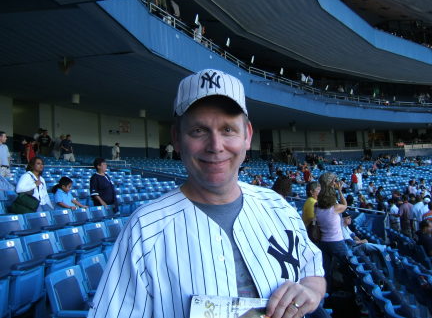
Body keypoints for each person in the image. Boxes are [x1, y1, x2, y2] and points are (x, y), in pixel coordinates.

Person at [89, 69, 325, 318]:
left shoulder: (279, 207)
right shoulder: (144, 230)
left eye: (228, 130)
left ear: (247, 135)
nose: (215, 146)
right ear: (177, 138)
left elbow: (313, 271)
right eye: (199, 131)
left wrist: (310, 290)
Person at [315, 172, 348, 290]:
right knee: (347, 267)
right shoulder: (335, 207)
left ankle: (327, 292)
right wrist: (339, 190)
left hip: (323, 243)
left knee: (326, 270)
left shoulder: (316, 206)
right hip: (337, 242)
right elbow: (345, 204)